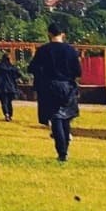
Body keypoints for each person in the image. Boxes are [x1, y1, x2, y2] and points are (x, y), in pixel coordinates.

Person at [30, 24, 82, 162]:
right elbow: (78, 71)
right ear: (62, 34)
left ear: (49, 34)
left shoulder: (43, 50)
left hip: (49, 86)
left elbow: (32, 68)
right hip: (67, 86)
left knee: (56, 118)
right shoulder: (71, 51)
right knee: (66, 117)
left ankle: (62, 151)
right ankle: (66, 148)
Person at [0, 53, 22, 121]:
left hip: (1, 86)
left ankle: (6, 114)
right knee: (9, 102)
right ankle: (10, 114)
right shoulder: (12, 67)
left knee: (4, 101)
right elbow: (19, 74)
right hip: (11, 86)